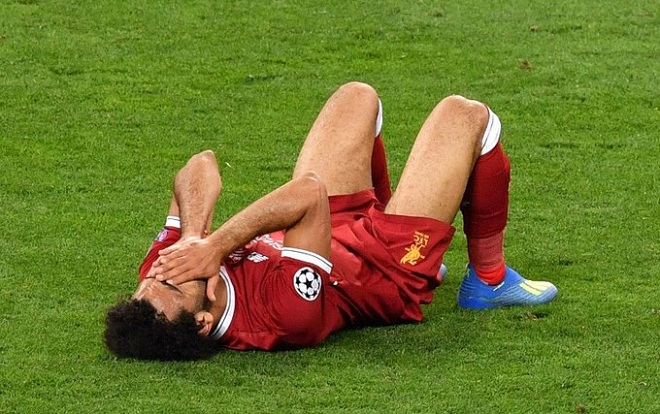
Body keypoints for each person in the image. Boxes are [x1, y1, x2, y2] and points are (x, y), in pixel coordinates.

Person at [105, 82, 557, 360]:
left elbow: (199, 165)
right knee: (466, 116)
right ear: (204, 322)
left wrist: (190, 236)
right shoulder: (284, 317)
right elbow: (308, 193)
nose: (163, 271)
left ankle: (395, 210)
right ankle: (489, 280)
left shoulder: (165, 273)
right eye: (170, 286)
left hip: (320, 230)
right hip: (384, 268)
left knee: (356, 98)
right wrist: (215, 245)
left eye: (150, 280)